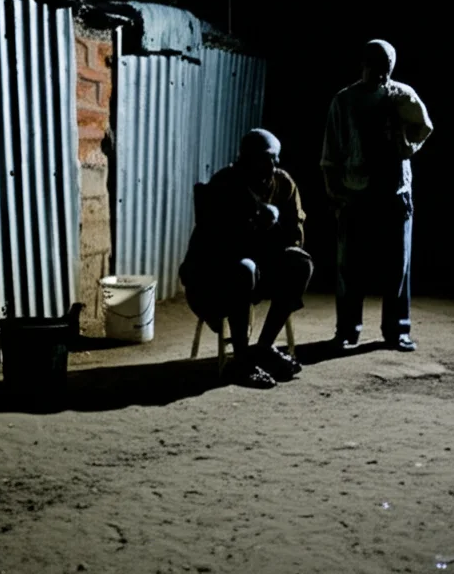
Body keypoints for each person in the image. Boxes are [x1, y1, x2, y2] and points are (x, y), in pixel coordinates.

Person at [321, 39, 433, 352]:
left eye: (385, 68)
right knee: (349, 268)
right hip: (356, 193)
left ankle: (397, 330)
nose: (380, 74)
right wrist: (335, 192)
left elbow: (424, 127)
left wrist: (406, 145)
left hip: (395, 192)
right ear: (363, 65)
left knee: (398, 266)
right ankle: (347, 330)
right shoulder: (345, 101)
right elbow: (330, 153)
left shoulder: (401, 96)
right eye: (375, 66)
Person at [179, 129, 314, 388]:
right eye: (267, 158)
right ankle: (241, 360)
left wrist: (274, 231)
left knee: (300, 262)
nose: (273, 165)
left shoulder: (283, 185)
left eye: (276, 158)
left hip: (261, 269)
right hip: (218, 275)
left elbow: (296, 234)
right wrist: (249, 224)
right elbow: (213, 245)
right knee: (244, 268)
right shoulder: (224, 185)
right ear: (246, 158)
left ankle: (263, 348)